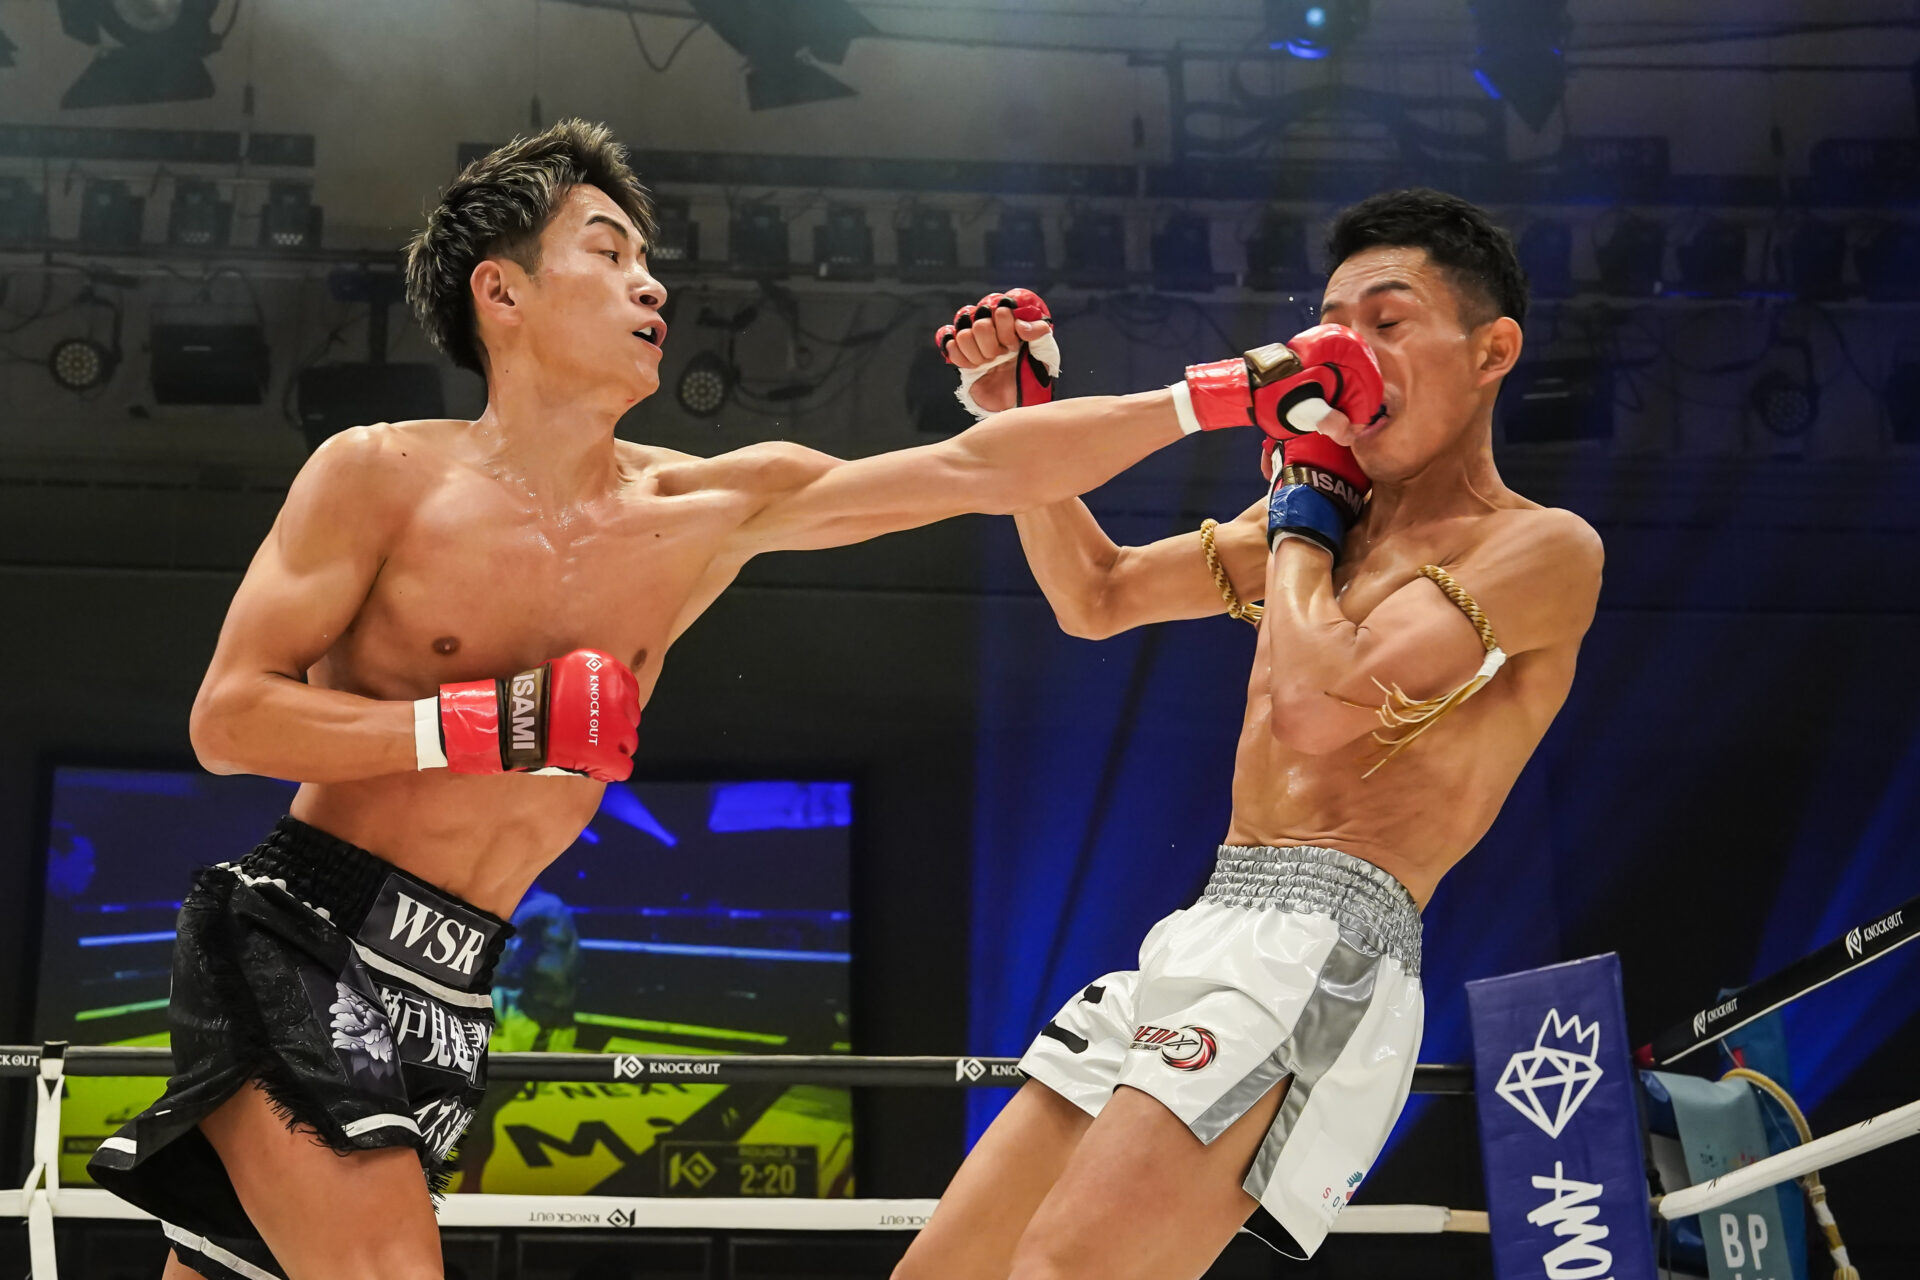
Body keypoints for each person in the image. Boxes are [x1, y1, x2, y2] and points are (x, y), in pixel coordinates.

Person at [83, 119, 1354, 1280]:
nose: (651, 284)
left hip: (457, 982)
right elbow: (230, 719)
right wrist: (487, 723)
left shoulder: (703, 508)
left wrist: (1218, 393)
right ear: (501, 291)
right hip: (304, 933)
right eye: (608, 250)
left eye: (650, 261)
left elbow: (972, 470)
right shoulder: (379, 474)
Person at [895, 188, 1604, 1280]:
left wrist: (1303, 509)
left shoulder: (1540, 547)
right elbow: (1097, 594)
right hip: (1202, 927)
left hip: (1329, 944)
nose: (1345, 351)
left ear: (1491, 351)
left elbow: (1317, 709)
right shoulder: (1315, 529)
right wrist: (1013, 419)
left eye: (1388, 320)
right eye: (1331, 324)